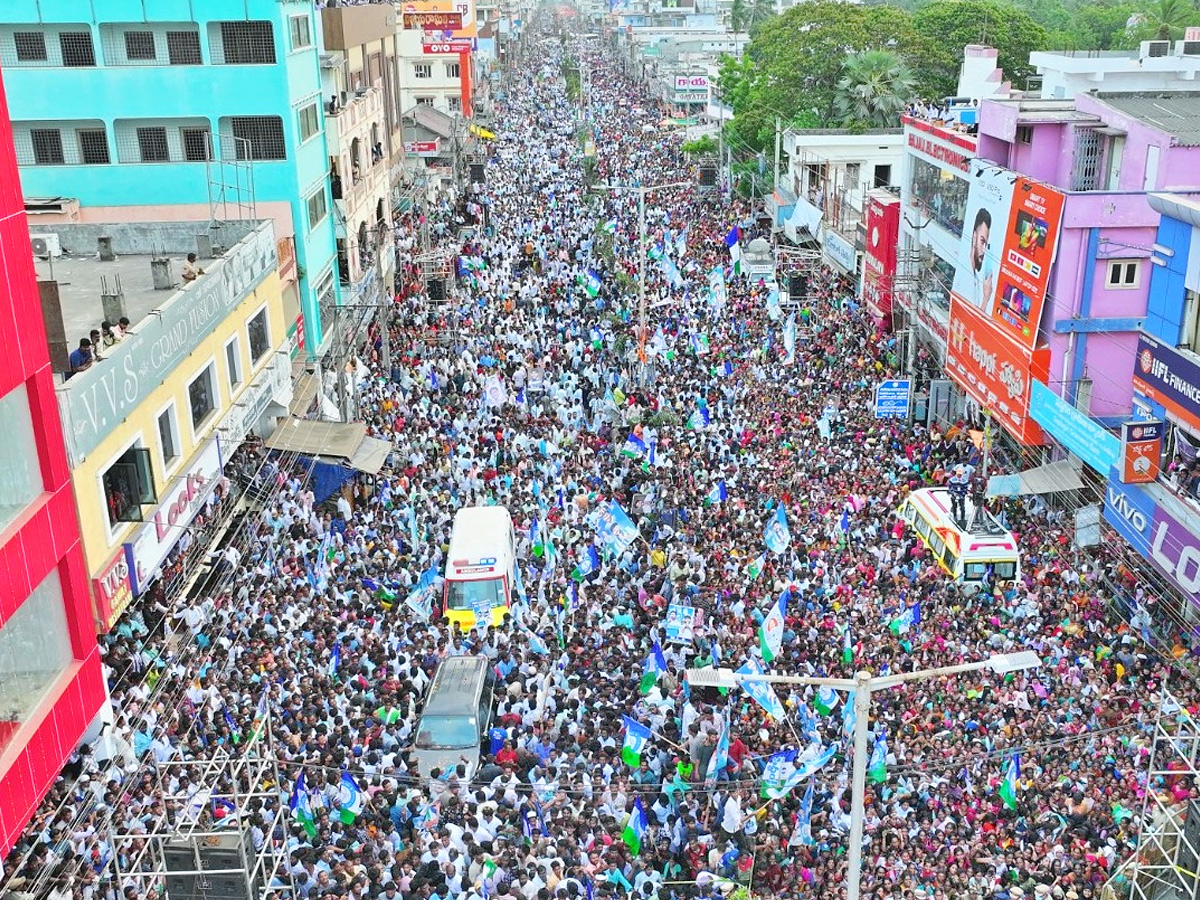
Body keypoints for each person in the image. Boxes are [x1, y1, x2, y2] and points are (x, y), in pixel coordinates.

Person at [965, 207, 996, 314]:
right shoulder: (966, 275)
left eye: (986, 245)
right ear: (974, 237)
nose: (983, 251)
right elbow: (973, 322)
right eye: (982, 241)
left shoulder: (975, 278)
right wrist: (986, 298)